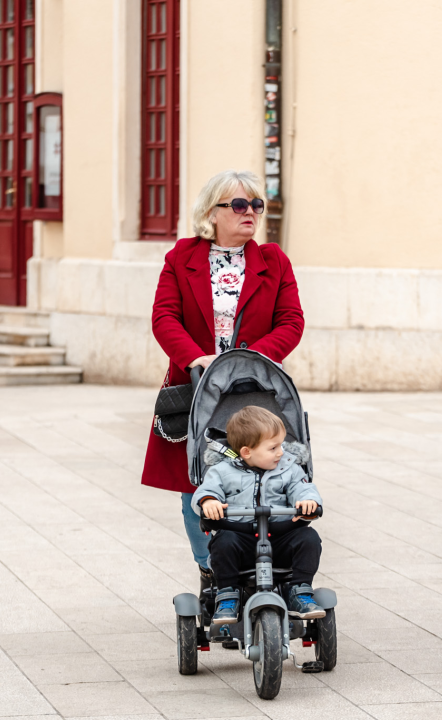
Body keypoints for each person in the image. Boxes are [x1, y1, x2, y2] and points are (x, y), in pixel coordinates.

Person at [141, 170, 304, 597]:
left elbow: (291, 321)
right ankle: (211, 568)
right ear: (211, 213)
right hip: (198, 387)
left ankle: (262, 566)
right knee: (196, 484)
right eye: (238, 205)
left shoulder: (274, 260)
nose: (249, 213)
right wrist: (197, 357)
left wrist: (250, 360)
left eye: (256, 205)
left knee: (265, 476)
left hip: (257, 389)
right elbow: (164, 318)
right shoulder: (182, 257)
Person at [192, 406, 324, 624]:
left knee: (309, 539)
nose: (280, 452)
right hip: (240, 538)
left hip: (280, 537)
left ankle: (300, 590)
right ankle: (227, 594)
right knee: (222, 543)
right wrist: (209, 502)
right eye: (273, 448)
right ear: (247, 452)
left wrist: (308, 502)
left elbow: (302, 488)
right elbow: (207, 490)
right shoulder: (222, 471)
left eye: (281, 445)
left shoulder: (288, 468)